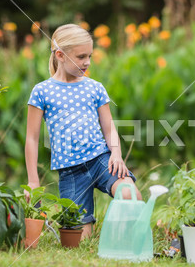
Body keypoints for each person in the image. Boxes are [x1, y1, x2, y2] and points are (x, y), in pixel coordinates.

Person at [25, 24, 140, 238]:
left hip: (102, 160)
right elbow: (31, 138)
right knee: (77, 238)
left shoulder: (94, 87)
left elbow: (109, 128)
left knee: (129, 194)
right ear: (60, 55)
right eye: (80, 57)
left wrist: (116, 154)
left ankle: (124, 241)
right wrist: (33, 181)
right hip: (70, 171)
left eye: (89, 55)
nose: (87, 62)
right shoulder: (42, 91)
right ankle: (89, 232)